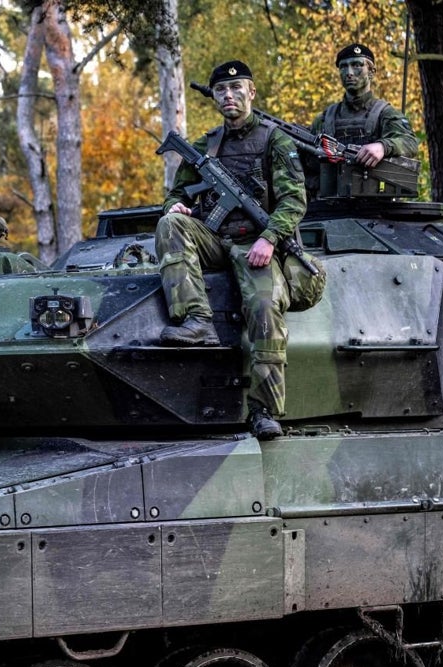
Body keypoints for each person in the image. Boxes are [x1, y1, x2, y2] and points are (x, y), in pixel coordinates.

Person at [155, 60, 307, 441]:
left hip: (254, 243)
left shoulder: (276, 140)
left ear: (251, 92)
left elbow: (293, 201)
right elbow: (177, 191)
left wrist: (269, 238)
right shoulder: (207, 144)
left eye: (237, 88)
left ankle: (264, 411)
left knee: (264, 306)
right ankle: (196, 318)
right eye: (221, 90)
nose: (229, 96)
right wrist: (176, 206)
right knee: (170, 224)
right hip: (213, 236)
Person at [307, 43, 419, 198]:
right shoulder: (326, 118)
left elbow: (410, 143)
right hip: (329, 207)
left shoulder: (384, 113)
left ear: (371, 72)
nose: (349, 72)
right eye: (343, 67)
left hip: (376, 209)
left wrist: (382, 146)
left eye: (357, 65)